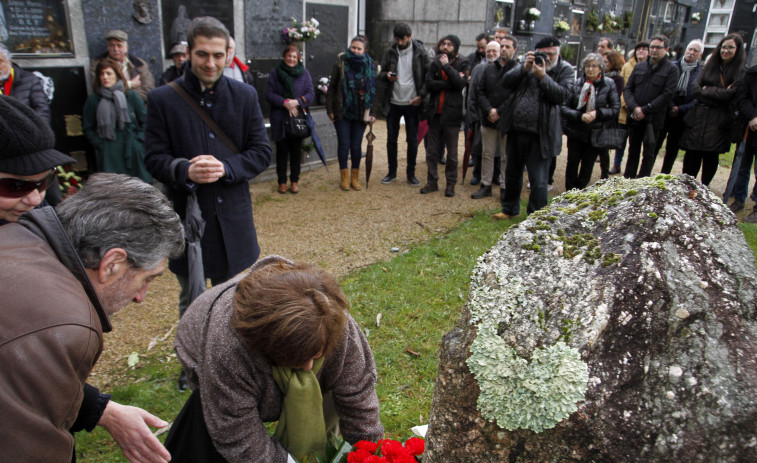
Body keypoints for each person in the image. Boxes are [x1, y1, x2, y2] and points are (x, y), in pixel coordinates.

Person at [0, 98, 184, 462]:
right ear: (113, 262)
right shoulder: (65, 323)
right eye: (148, 279)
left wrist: (103, 410)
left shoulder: (17, 237)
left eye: (46, 181)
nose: (35, 199)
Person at [144, 15, 273, 393]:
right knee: (194, 299)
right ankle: (194, 365)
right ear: (188, 53)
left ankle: (242, 365)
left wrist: (228, 167)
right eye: (203, 54)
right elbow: (153, 158)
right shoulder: (163, 99)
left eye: (219, 55)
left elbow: (261, 153)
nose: (211, 63)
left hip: (233, 219)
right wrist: (183, 168)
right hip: (189, 221)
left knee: (241, 297)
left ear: (228, 53)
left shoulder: (245, 95)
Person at [165, 256, 383, 463]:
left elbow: (358, 398)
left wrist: (371, 453)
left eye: (316, 356)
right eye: (297, 361)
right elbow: (240, 437)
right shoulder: (227, 350)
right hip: (201, 345)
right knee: (219, 429)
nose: (309, 367)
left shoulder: (333, 321)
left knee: (329, 415)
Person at [493, 35, 574, 219]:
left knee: (538, 180)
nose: (546, 59)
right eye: (542, 55)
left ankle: (536, 215)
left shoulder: (565, 70)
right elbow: (506, 82)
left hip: (541, 134)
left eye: (550, 55)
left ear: (557, 53)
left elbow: (562, 96)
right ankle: (509, 209)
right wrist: (524, 68)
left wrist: (543, 77)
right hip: (516, 129)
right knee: (512, 173)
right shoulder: (526, 65)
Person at [680, 33, 746, 187]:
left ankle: (704, 187)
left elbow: (731, 95)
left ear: (738, 50)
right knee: (692, 155)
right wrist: (718, 92)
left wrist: (707, 90)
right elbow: (696, 89)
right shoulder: (710, 66)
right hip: (698, 118)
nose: (726, 50)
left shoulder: (740, 71)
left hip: (719, 121)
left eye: (730, 47)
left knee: (710, 157)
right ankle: (687, 187)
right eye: (723, 47)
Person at [83, 58, 151, 183]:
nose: (105, 77)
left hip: (132, 149)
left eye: (109, 73)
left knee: (140, 190)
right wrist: (101, 145)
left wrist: (139, 141)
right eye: (101, 74)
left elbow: (146, 121)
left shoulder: (130, 96)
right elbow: (88, 127)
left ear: (117, 75)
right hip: (109, 151)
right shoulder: (94, 100)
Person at [378, 22, 430, 186]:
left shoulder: (421, 52)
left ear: (410, 36)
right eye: (397, 39)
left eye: (403, 39)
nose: (399, 43)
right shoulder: (390, 51)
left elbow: (428, 77)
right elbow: (380, 74)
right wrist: (387, 76)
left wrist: (421, 96)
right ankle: (392, 172)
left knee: (412, 140)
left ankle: (411, 174)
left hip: (412, 102)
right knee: (391, 139)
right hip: (393, 102)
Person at [561, 53, 620, 190]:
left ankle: (580, 189)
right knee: (572, 162)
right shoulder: (577, 84)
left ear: (601, 68)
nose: (590, 69)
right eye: (587, 66)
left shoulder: (609, 84)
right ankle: (569, 191)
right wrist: (579, 116)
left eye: (594, 66)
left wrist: (598, 113)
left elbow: (615, 108)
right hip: (576, 130)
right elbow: (564, 107)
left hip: (596, 132)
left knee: (588, 164)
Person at [623, 35, 679, 178]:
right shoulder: (640, 66)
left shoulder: (671, 69)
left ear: (666, 49)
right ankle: (627, 181)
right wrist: (635, 107)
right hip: (635, 117)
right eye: (652, 47)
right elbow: (628, 89)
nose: (654, 50)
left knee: (649, 153)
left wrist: (646, 109)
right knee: (632, 152)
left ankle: (643, 182)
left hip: (653, 120)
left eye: (658, 47)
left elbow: (667, 94)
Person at [326, 35, 376, 191]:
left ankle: (355, 176)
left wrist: (372, 112)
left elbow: (374, 90)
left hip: (361, 112)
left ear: (364, 50)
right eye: (353, 47)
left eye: (359, 48)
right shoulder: (340, 63)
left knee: (356, 145)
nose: (355, 51)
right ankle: (344, 177)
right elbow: (332, 87)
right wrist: (330, 109)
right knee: (344, 144)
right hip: (343, 110)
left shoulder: (370, 65)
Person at [421, 35, 469, 197]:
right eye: (443, 44)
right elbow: (429, 84)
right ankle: (432, 181)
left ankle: (450, 184)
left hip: (452, 115)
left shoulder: (463, 62)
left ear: (455, 47)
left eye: (449, 44)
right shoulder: (434, 62)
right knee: (432, 151)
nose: (445, 47)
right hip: (435, 113)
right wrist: (450, 83)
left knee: (452, 154)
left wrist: (447, 67)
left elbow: (461, 84)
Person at [473, 37, 518, 200]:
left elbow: (515, 95)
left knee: (506, 156)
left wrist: (499, 111)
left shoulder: (518, 70)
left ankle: (505, 187)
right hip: (488, 118)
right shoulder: (489, 69)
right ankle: (485, 185)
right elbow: (480, 91)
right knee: (487, 153)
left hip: (507, 120)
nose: (504, 49)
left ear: (514, 50)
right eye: (503, 46)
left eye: (507, 46)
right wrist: (489, 110)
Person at [265, 45, 314, 194]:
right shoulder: (275, 73)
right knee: (281, 151)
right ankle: (282, 182)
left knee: (295, 151)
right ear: (284, 57)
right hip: (280, 117)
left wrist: (297, 101)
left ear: (298, 58)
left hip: (297, 118)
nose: (291, 59)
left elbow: (310, 94)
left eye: (294, 57)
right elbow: (268, 93)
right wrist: (284, 103)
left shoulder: (304, 74)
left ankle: (294, 181)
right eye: (289, 56)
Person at [657, 39, 703, 174]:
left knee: (672, 149)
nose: (692, 52)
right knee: (655, 144)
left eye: (696, 50)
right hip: (666, 111)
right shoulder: (672, 66)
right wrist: (671, 106)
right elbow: (664, 88)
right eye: (690, 49)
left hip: (683, 115)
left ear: (700, 55)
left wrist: (680, 109)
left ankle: (665, 174)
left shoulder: (701, 73)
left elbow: (698, 96)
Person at [610, 42, 649, 175]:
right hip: (625, 108)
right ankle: (616, 164)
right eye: (639, 49)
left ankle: (634, 170)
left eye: (644, 49)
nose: (641, 52)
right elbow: (623, 87)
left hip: (640, 111)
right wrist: (626, 103)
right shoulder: (627, 66)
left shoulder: (650, 68)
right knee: (620, 140)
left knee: (635, 144)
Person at [90, 30, 155, 102]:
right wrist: (130, 84)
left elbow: (148, 90)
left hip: (135, 106)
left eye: (119, 45)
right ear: (108, 47)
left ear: (126, 47)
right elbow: (100, 89)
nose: (115, 49)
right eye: (112, 45)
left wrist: (125, 97)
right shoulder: (98, 63)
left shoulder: (139, 64)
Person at [731, 63, 757, 220]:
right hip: (748, 127)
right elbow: (742, 97)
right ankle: (738, 198)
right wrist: (752, 116)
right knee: (742, 166)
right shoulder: (752, 73)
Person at [0, 43, 50, 122]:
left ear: (9, 62)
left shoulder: (30, 80)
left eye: (0, 61)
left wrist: (34, 133)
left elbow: (42, 111)